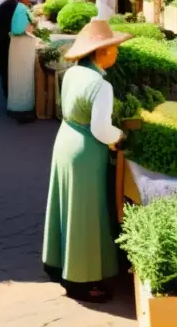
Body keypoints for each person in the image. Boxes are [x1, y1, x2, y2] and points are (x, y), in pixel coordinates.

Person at [42, 20, 132, 303]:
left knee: (66, 205)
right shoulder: (100, 85)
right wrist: (121, 135)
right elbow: (102, 131)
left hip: (65, 141)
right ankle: (81, 282)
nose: (116, 51)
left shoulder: (72, 73)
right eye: (113, 47)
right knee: (85, 214)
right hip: (87, 152)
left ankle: (57, 262)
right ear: (101, 51)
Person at [0, 0, 19, 97]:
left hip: (1, 43)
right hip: (5, 44)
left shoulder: (5, 5)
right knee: (7, 71)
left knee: (5, 72)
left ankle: (7, 94)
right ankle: (9, 96)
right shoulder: (12, 6)